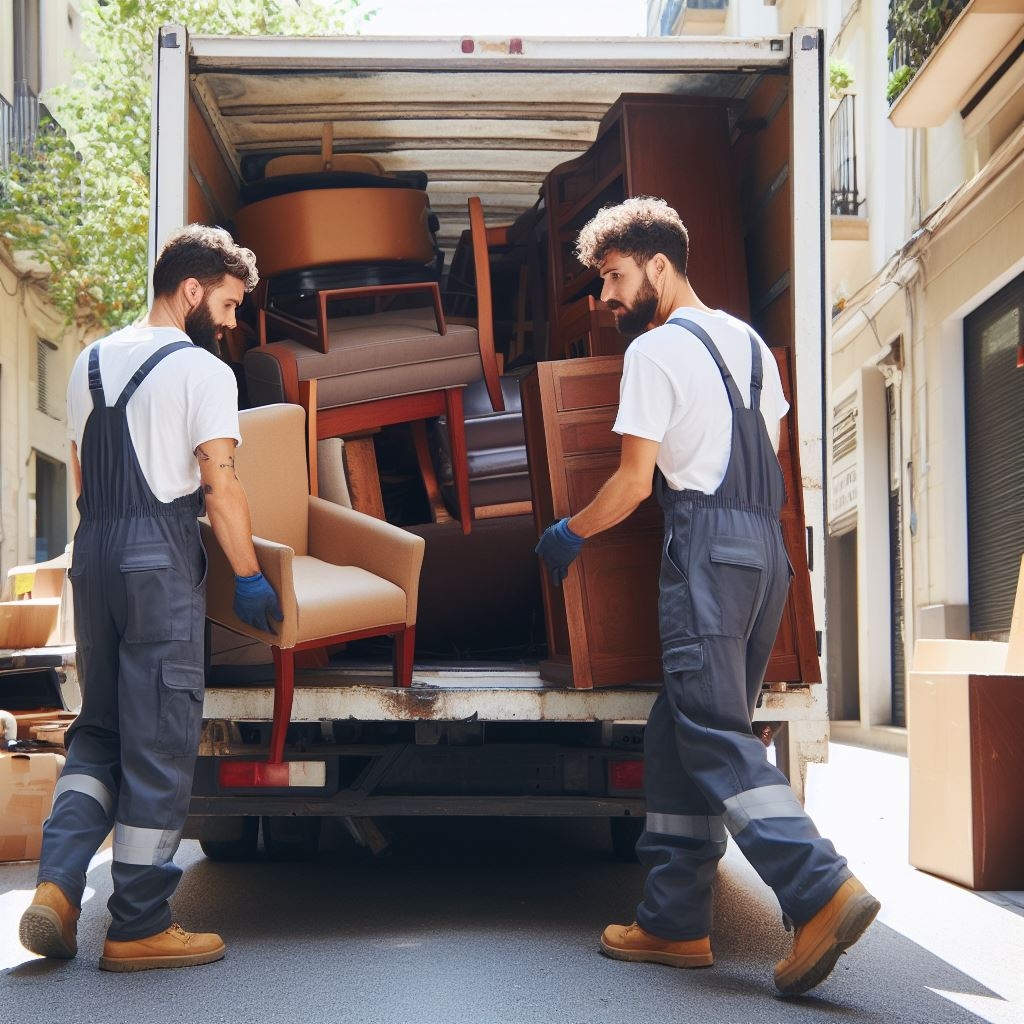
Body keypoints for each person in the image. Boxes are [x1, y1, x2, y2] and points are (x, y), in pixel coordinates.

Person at [536, 197, 879, 996]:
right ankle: (673, 918)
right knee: (678, 726)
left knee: (713, 728)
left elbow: (630, 484)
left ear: (660, 265)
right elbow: (777, 458)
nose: (608, 298)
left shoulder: (654, 355)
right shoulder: (754, 344)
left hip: (707, 551)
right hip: (766, 554)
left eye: (616, 277)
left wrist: (570, 532)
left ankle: (819, 886)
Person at [19, 225, 282, 972]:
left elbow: (79, 473)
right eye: (228, 305)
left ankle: (58, 891)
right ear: (191, 290)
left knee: (97, 733)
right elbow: (219, 487)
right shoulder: (204, 373)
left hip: (94, 552)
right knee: (162, 741)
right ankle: (137, 924)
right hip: (157, 561)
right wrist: (251, 575)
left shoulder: (86, 362)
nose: (231, 323)